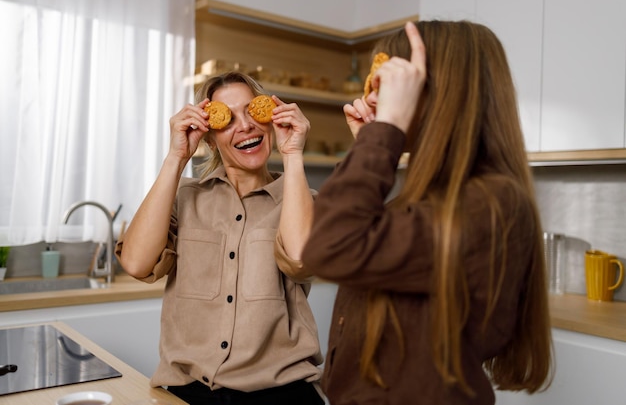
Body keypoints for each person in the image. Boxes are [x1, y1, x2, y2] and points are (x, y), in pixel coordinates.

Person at [301, 20, 554, 404]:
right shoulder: (430, 200)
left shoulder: (492, 203)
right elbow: (345, 239)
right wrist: (370, 146)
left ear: (442, 91)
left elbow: (330, 247)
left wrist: (383, 134)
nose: (374, 93)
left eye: (394, 77)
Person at [115, 71, 324, 405]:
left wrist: (293, 153)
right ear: (210, 137)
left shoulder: (301, 200)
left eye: (252, 112)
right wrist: (176, 157)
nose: (244, 126)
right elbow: (137, 264)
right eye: (227, 119)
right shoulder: (185, 197)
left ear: (269, 118)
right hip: (191, 394)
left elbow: (301, 260)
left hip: (283, 395)